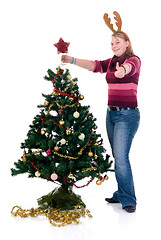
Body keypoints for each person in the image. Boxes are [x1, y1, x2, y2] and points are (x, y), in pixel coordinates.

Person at [61, 12, 141, 213]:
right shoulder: (111, 61)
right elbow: (94, 66)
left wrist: (121, 71)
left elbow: (129, 68)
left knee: (121, 158)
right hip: (111, 115)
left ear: (127, 42)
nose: (114, 46)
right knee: (118, 156)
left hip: (128, 116)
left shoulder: (134, 59)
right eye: (111, 43)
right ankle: (121, 192)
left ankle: (128, 199)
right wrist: (72, 59)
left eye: (117, 42)